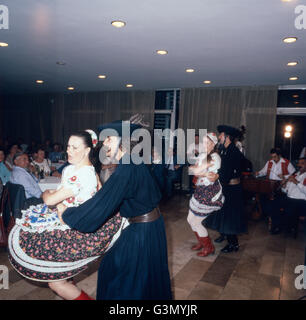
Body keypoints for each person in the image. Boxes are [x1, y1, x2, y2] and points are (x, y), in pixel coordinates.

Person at [59, 120, 172, 300]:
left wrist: (66, 213)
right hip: (150, 226)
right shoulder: (133, 161)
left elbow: (101, 205)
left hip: (141, 231)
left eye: (109, 139)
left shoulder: (126, 169)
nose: (104, 144)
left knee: (120, 277)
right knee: (139, 278)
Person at [8, 130, 124, 300]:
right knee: (61, 274)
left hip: (75, 228)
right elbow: (57, 196)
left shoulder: (84, 174)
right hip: (66, 220)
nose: (69, 150)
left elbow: (49, 199)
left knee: (56, 282)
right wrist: (58, 200)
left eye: (75, 147)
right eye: (68, 146)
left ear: (86, 151)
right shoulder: (71, 169)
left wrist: (54, 199)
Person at [204, 125, 247, 253]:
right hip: (227, 188)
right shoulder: (225, 150)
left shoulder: (233, 151)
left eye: (221, 135)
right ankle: (224, 234)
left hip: (233, 190)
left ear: (227, 137)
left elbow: (227, 173)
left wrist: (216, 176)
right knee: (222, 214)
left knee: (229, 217)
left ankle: (233, 244)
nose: (219, 137)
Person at [187, 132, 224, 257]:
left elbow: (201, 173)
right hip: (201, 189)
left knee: (196, 222)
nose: (205, 145)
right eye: (204, 142)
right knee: (189, 219)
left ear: (213, 144)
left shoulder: (216, 157)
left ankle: (209, 247)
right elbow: (192, 170)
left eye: (208, 143)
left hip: (209, 192)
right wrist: (198, 171)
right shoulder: (203, 155)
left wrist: (198, 171)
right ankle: (202, 243)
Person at [266, 157, 306, 236]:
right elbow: (287, 190)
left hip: (301, 202)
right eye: (299, 163)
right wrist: (284, 184)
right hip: (289, 198)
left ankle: (290, 227)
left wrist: (296, 182)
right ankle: (277, 226)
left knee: (290, 208)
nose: (299, 165)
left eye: (302, 163)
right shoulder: (296, 175)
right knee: (273, 203)